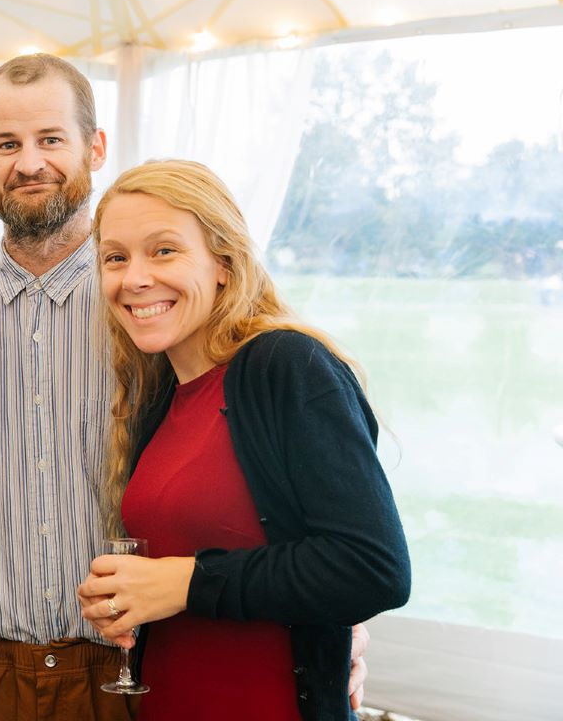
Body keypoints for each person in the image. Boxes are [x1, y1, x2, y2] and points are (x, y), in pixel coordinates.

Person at [0, 54, 375, 721]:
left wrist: (340, 623)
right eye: (7, 144)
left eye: (51, 140)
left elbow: (297, 495)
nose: (29, 162)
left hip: (125, 664)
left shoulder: (151, 313)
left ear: (94, 148)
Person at [78, 159, 411, 720]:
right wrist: (136, 597)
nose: (134, 277)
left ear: (224, 265)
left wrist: (187, 582)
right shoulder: (160, 393)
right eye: (116, 257)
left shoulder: (287, 366)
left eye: (163, 250)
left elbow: (373, 569)